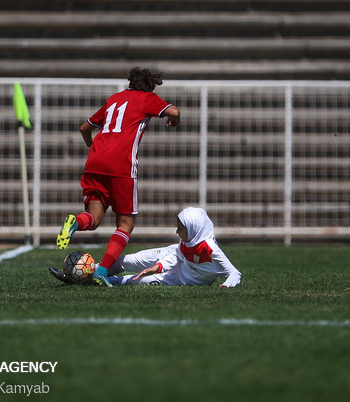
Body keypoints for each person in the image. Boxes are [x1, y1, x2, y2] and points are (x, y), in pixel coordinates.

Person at [56, 67, 180, 288]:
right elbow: (175, 112)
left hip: (95, 162)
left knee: (93, 217)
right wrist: (174, 121)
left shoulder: (115, 99)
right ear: (150, 86)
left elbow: (85, 127)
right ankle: (102, 271)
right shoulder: (147, 99)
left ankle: (76, 221)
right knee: (125, 224)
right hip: (120, 166)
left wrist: (92, 147)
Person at [106, 207, 242, 288]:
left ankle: (95, 280)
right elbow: (178, 254)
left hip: (174, 279)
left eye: (180, 229)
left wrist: (226, 286)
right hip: (168, 254)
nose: (177, 232)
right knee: (127, 261)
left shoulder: (211, 250)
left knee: (131, 281)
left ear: (194, 229)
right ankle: (93, 270)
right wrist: (157, 267)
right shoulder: (188, 241)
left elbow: (234, 273)